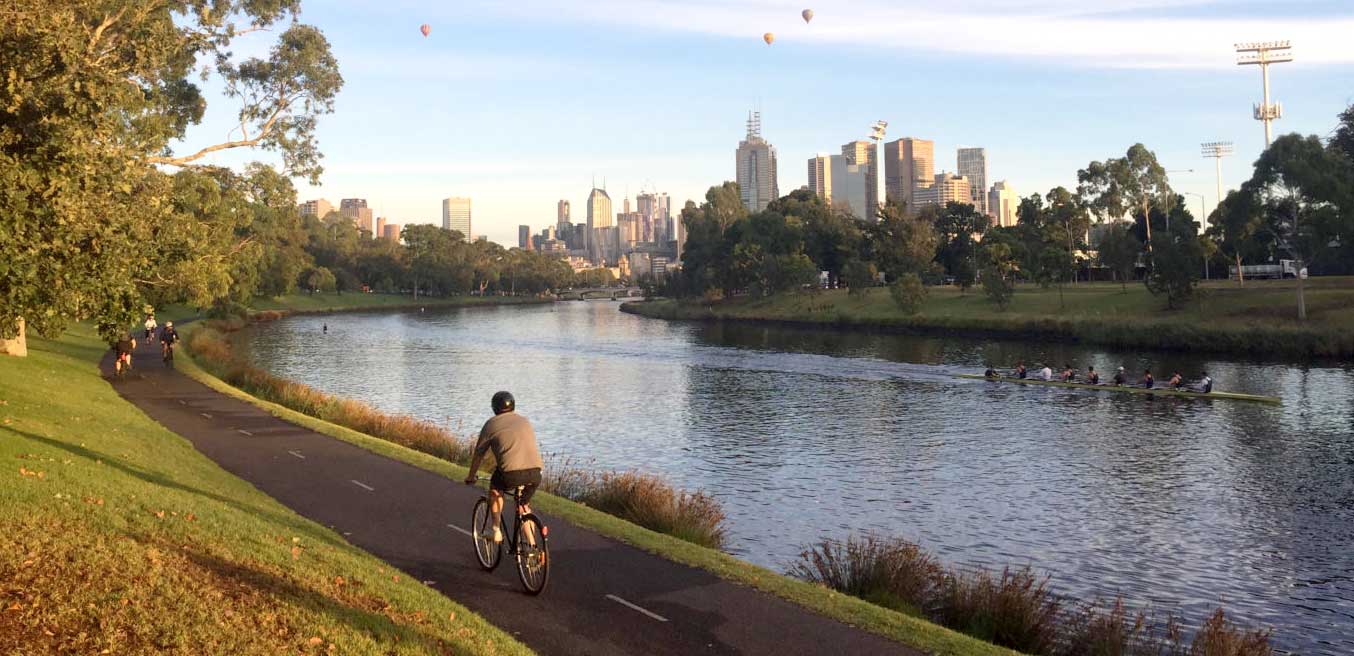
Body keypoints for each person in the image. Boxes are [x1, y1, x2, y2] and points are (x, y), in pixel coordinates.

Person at [464, 392, 544, 544]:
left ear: (494, 408)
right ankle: (533, 546)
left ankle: (495, 530)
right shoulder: (524, 420)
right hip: (536, 473)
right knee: (523, 505)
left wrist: (471, 476)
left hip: (510, 474)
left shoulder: (491, 424)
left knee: (495, 490)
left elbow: (478, 453)